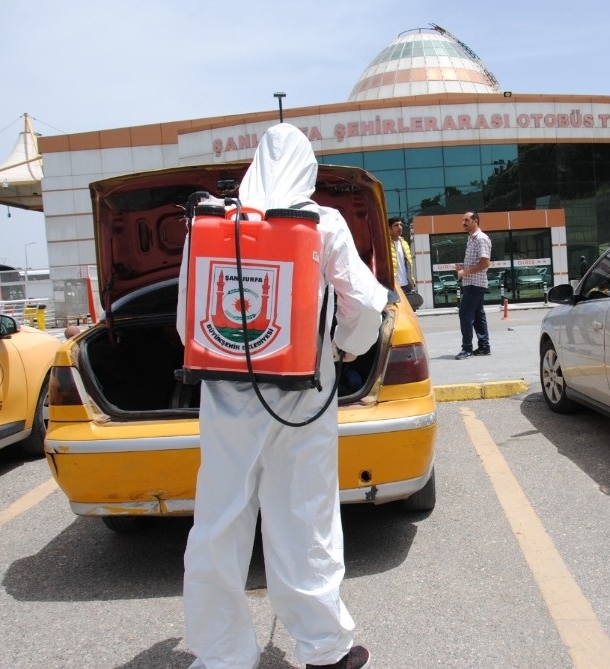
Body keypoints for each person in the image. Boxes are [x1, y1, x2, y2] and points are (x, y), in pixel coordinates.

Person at [177, 123, 385, 669]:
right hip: (302, 397)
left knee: (220, 518)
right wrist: (342, 347)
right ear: (308, 167)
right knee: (304, 515)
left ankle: (221, 655)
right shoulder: (322, 221)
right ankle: (324, 649)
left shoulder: (212, 223)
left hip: (226, 400)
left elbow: (187, 318)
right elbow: (363, 302)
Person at [454, 211, 491, 359]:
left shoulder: (481, 239)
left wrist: (465, 272)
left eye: (467, 220)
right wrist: (463, 268)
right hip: (471, 283)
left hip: (476, 284)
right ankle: (484, 346)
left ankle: (467, 349)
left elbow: (485, 262)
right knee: (478, 314)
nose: (464, 223)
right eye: (463, 220)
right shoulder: (471, 238)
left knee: (465, 313)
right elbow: (477, 262)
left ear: (475, 221)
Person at [388, 216, 415, 295]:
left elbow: (408, 264)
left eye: (401, 225)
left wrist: (410, 281)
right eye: (396, 225)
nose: (399, 227)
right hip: (393, 287)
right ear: (389, 228)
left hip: (406, 286)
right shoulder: (385, 244)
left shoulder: (404, 243)